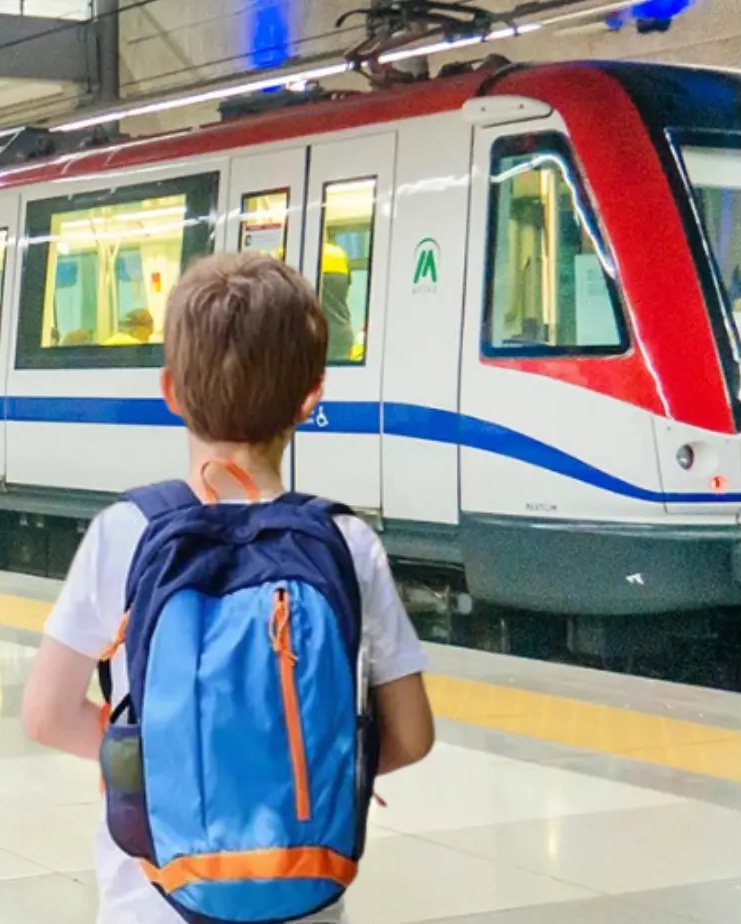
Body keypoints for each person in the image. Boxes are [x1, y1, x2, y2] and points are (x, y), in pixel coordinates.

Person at [21, 252, 435, 924]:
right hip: (299, 890)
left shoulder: (124, 532)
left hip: (152, 899)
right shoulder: (347, 542)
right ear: (312, 398)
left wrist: (169, 753)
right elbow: (411, 735)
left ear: (171, 392)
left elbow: (45, 715)